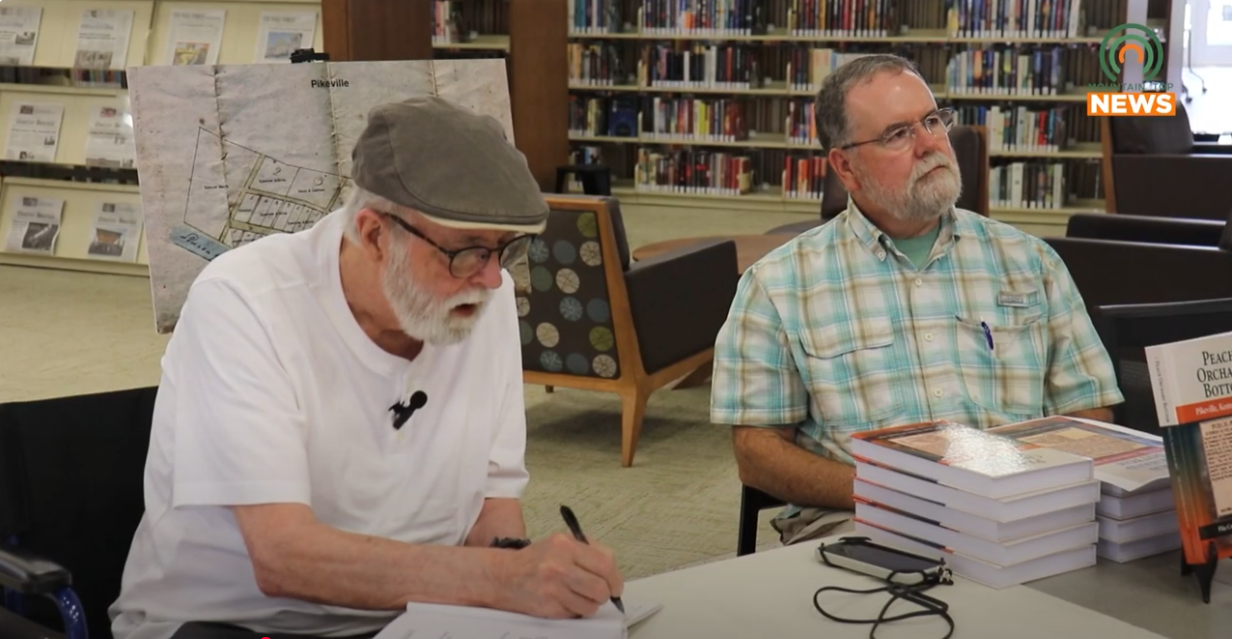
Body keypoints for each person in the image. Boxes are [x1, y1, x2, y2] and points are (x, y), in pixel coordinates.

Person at [110, 96, 624, 639]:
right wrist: (500, 579)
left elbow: (491, 500)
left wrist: (525, 575)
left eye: (506, 249)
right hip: (236, 624)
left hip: (418, 616)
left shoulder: (480, 301)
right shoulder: (245, 302)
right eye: (468, 251)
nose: (493, 278)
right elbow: (283, 557)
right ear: (375, 234)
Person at [709, 54, 1124, 546]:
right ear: (845, 166)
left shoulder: (1030, 261)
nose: (930, 144)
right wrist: (889, 492)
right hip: (865, 519)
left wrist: (1022, 486)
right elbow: (757, 452)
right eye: (897, 134)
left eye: (931, 121)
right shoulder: (778, 284)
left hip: (1022, 514)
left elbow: (1089, 407)